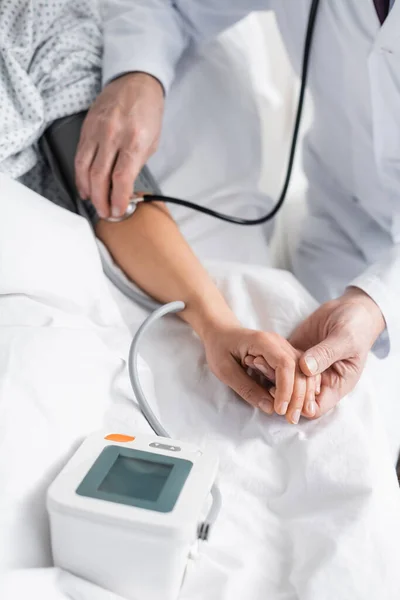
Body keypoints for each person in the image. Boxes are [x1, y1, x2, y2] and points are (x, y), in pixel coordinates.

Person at [75, 0, 397, 422]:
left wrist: (378, 301)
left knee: (357, 440)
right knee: (286, 419)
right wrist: (140, 74)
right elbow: (170, 6)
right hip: (339, 227)